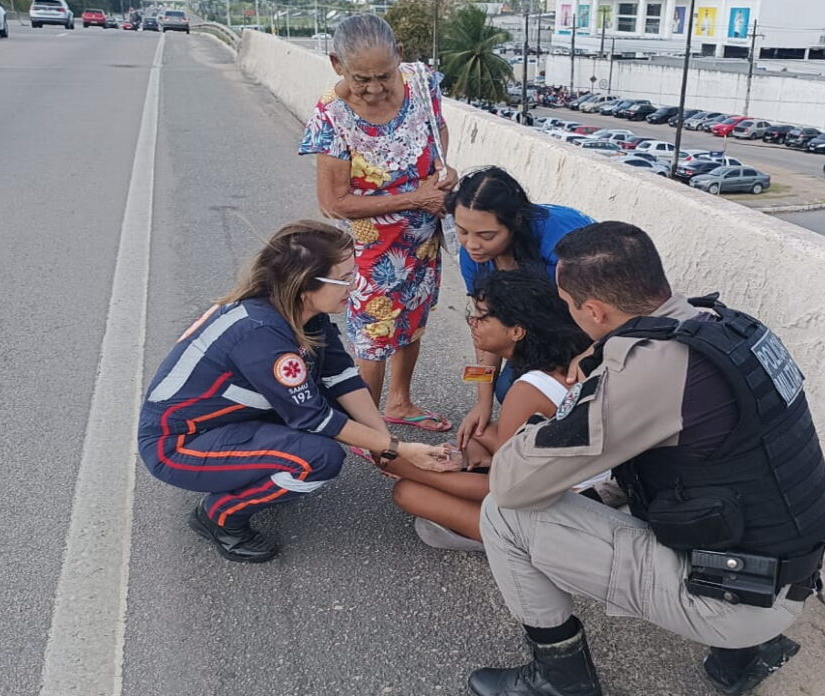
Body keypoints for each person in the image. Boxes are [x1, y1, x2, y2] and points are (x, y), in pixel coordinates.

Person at [468, 222, 825, 696]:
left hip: (738, 601)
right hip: (786, 568)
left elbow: (512, 482)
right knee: (635, 481)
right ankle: (745, 657)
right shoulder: (725, 327)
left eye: (569, 305)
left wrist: (579, 395)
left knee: (504, 516)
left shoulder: (648, 371)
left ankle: (559, 680)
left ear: (595, 310)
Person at [137, 221, 454, 564]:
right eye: (345, 278)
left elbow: (342, 377)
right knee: (320, 457)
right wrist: (400, 448)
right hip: (177, 444)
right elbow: (314, 417)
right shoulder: (261, 334)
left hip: (221, 422)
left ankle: (257, 466)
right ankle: (219, 516)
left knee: (337, 410)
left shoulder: (303, 312)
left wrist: (385, 446)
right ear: (306, 284)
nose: (357, 284)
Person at [299, 13, 456, 437]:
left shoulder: (421, 83)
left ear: (399, 58)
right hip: (375, 247)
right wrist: (414, 197)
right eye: (360, 78)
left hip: (424, 237)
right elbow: (333, 203)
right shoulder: (332, 115)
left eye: (383, 76)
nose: (373, 88)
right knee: (375, 332)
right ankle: (368, 427)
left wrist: (442, 172)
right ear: (337, 64)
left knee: (413, 319)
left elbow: (438, 133)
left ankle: (399, 403)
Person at [384, 270, 600, 551]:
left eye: (482, 316)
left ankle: (513, 547)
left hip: (574, 510)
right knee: (477, 433)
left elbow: (507, 489)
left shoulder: (527, 392)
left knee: (407, 492)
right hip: (584, 477)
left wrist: (411, 468)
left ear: (517, 331)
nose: (472, 322)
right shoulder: (564, 359)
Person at [446, 166, 594, 450]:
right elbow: (484, 326)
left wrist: (590, 355)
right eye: (462, 231)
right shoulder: (472, 254)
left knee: (563, 388)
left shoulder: (563, 243)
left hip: (592, 328)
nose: (472, 245)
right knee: (507, 389)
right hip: (546, 332)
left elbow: (614, 313)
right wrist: (482, 402)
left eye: (487, 235)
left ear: (516, 221)